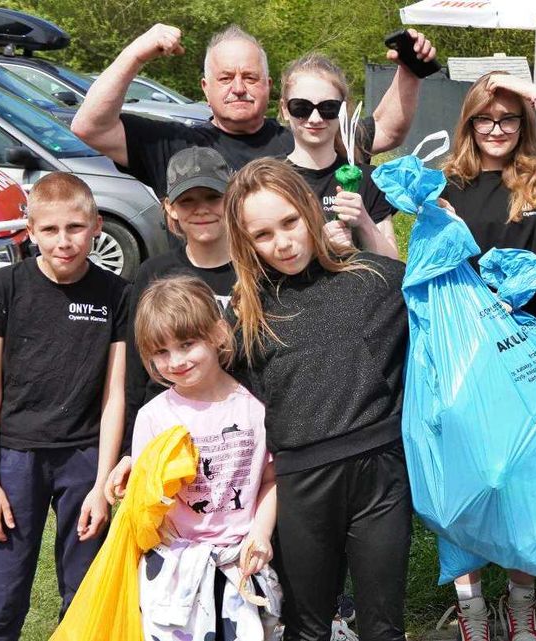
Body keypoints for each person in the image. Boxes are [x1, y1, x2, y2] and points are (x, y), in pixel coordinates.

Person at [224, 158, 412, 641]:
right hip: (300, 486)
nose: (283, 243)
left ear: (311, 210)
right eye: (263, 235)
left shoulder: (376, 279)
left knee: (383, 627)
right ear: (245, 242)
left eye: (290, 223)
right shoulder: (248, 315)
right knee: (307, 628)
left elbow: (460, 303)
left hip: (381, 476)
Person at [439, 70, 536, 640]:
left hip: (532, 340)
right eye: (485, 118)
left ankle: (522, 599)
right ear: (470, 122)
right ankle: (471, 602)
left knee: (530, 471)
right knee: (472, 471)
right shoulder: (447, 184)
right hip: (469, 343)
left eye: (507, 119)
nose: (496, 128)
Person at [0, 172, 128, 639]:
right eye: (50, 230)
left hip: (84, 459)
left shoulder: (116, 294)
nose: (64, 242)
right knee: (2, 595)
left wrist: (102, 483)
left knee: (84, 592)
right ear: (30, 230)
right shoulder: (4, 287)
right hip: (16, 459)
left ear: (96, 225)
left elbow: (114, 393)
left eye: (75, 228)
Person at [72, 23, 437, 198]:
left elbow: (385, 130)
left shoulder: (307, 137)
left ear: (267, 86)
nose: (238, 87)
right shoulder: (173, 144)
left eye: (250, 77)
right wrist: (137, 52)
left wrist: (410, 70)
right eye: (225, 77)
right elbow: (90, 126)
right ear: (205, 88)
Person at [130, 276, 280, 640]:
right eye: (161, 352)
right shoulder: (153, 417)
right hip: (176, 569)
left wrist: (260, 533)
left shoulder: (255, 407)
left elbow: (272, 480)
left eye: (186, 344)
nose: (176, 361)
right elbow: (144, 501)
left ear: (217, 334)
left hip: (242, 561)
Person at [108, 147, 237, 502]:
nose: (201, 209)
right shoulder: (155, 273)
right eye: (187, 200)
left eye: (212, 196)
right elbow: (137, 368)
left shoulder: (256, 267)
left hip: (237, 431)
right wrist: (129, 449)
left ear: (232, 197)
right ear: (170, 208)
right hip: (170, 432)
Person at [280, 53, 398, 259]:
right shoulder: (270, 180)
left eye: (328, 108)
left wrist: (363, 221)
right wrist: (319, 246)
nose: (315, 118)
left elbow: (392, 263)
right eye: (301, 107)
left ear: (343, 110)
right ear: (284, 109)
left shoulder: (369, 179)